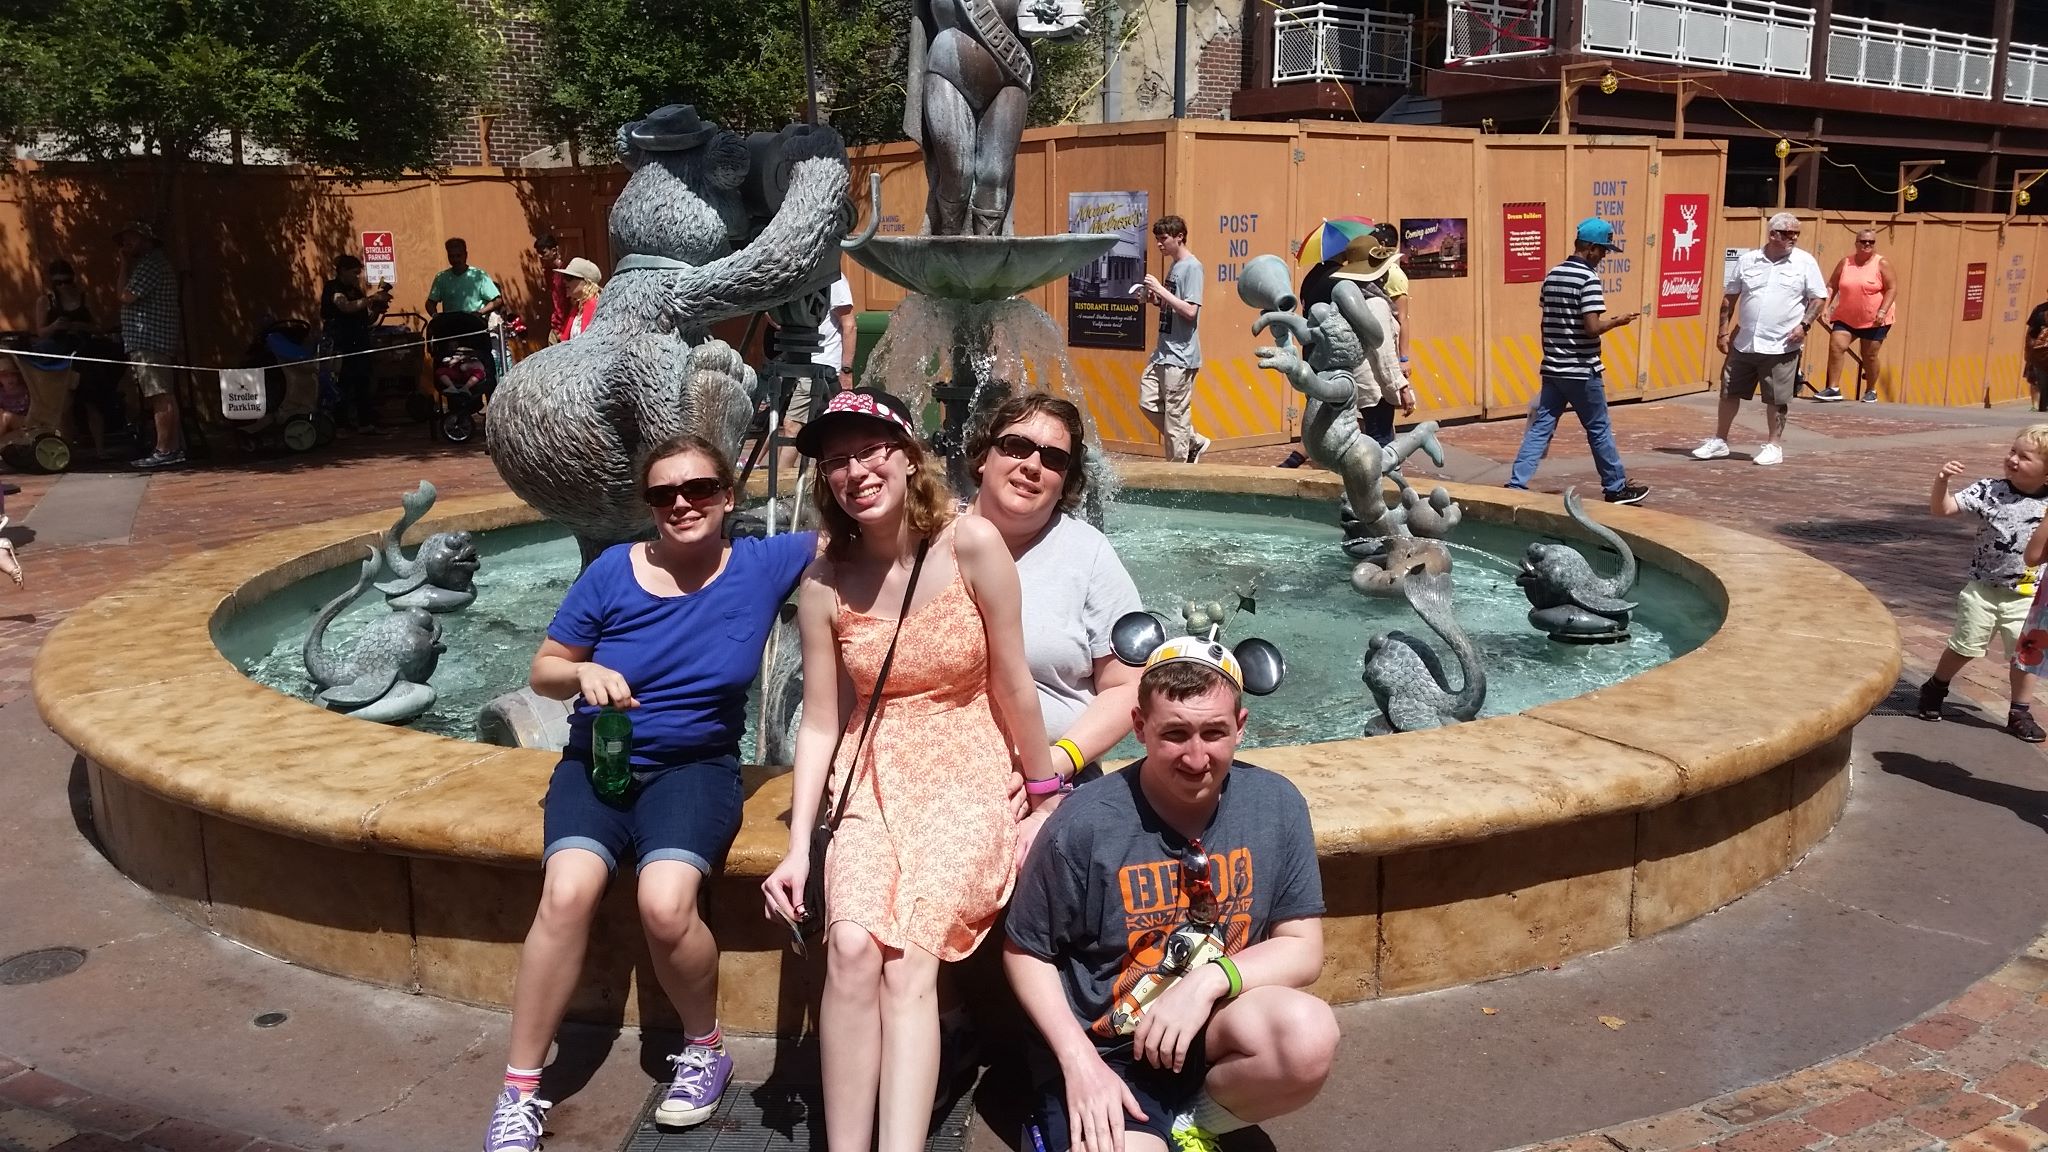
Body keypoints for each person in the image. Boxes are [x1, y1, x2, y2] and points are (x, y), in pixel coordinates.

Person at [479, 434, 819, 1152]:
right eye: (664, 495)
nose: (682, 505)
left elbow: (867, 531)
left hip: (694, 768)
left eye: (698, 489)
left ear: (728, 496)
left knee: (664, 904)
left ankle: (706, 1046)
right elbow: (543, 668)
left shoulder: (761, 563)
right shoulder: (613, 570)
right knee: (567, 893)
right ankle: (520, 1089)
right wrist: (581, 676)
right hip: (597, 761)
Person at [762, 387, 1058, 1152]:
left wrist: (1043, 793)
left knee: (909, 962)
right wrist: (799, 849)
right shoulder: (824, 582)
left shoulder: (973, 545)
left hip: (966, 765)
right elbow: (823, 720)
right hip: (873, 774)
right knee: (854, 948)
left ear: (907, 456)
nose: (855, 470)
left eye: (871, 451)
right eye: (836, 461)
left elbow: (1013, 683)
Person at [1005, 647, 1339, 1152]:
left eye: (1214, 733)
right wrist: (1079, 1063)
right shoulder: (1085, 824)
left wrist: (1208, 982)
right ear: (1139, 727)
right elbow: (1026, 950)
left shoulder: (1276, 805)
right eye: (1175, 733)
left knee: (1307, 1032)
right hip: (1106, 1048)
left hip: (1208, 1029)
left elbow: (1302, 945)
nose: (1197, 757)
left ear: (1241, 726)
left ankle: (1190, 1125)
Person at [964, 391, 1144, 861]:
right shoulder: (931, 541)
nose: (1032, 465)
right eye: (1016, 446)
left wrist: (1054, 765)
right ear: (983, 457)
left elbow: (1129, 685)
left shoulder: (1088, 554)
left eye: (1053, 458)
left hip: (1058, 777)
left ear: (1065, 481)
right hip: (947, 769)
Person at [1504, 218, 1651, 506]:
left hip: (1554, 368)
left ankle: (1516, 484)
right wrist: (1618, 321)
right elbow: (1592, 327)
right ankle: (1615, 486)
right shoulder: (1588, 279)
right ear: (1592, 248)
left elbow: (1549, 319)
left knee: (1541, 427)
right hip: (1582, 370)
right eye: (1604, 250)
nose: (1605, 257)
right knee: (1598, 428)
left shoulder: (1553, 275)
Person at [1916, 424, 2048, 743]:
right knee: (1966, 646)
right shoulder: (1990, 490)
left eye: (2025, 456)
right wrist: (1942, 481)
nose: (2013, 459)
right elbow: (1942, 508)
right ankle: (1936, 686)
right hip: (1983, 590)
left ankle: (2019, 711)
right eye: (2012, 451)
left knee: (2025, 655)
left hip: (2028, 596)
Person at [1693, 212, 1827, 468]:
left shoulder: (1804, 262)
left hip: (1782, 343)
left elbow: (1818, 298)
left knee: (1776, 398)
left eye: (1797, 233)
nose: (1794, 238)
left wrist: (1805, 325)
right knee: (1729, 390)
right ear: (1773, 234)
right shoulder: (1748, 260)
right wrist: (1722, 331)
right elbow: (1729, 297)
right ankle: (1720, 440)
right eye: (1789, 233)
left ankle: (1774, 445)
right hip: (1745, 341)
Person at [117, 221, 186, 470]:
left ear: (146, 240)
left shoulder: (150, 264)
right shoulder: (150, 264)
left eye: (131, 239)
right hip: (151, 341)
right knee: (162, 394)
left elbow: (125, 295)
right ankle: (173, 449)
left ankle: (165, 449)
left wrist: (123, 265)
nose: (126, 245)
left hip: (151, 341)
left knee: (159, 395)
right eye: (124, 240)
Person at [1138, 216, 1207, 464]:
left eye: (1163, 239)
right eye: (1157, 239)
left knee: (1175, 416)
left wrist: (1160, 289)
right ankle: (1192, 441)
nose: (1159, 244)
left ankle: (1178, 472)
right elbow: (1172, 304)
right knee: (1147, 401)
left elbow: (1190, 311)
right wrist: (1152, 298)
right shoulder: (1175, 266)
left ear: (1179, 237)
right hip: (1163, 352)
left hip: (1181, 355)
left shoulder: (1192, 267)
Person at [774, 272, 856, 472]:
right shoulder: (795, 276)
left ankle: (780, 485)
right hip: (797, 363)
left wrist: (846, 370)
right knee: (791, 424)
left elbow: (849, 325)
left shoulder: (834, 279)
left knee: (793, 425)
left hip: (824, 366)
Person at [1820, 228, 1896, 404]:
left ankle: (1871, 389)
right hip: (1846, 317)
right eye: (1863, 241)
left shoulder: (1881, 263)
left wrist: (1882, 311)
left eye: (1871, 242)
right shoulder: (1846, 262)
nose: (1867, 245)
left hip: (1875, 319)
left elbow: (1892, 288)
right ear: (1856, 243)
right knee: (1837, 346)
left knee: (1869, 355)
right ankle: (1833, 388)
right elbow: (1832, 285)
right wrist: (1825, 306)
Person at [321, 254, 393, 436]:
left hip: (359, 342)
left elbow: (367, 320)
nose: (357, 277)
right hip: (341, 342)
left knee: (363, 381)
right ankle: (340, 425)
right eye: (354, 273)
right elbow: (344, 306)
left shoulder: (357, 291)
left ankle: (365, 422)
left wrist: (377, 308)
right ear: (343, 271)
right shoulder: (333, 288)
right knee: (342, 382)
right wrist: (370, 299)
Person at [426, 238, 504, 318]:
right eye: (452, 256)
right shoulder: (441, 278)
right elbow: (430, 303)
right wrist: (435, 315)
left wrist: (480, 313)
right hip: (451, 326)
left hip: (475, 325)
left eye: (458, 256)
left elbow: (497, 300)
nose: (455, 260)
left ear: (466, 255)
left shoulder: (479, 276)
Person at [553, 258, 603, 342]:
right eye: (564, 277)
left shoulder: (597, 307)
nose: (564, 281)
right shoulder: (578, 308)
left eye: (569, 277)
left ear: (586, 282)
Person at [535, 232, 570, 341]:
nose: (541, 256)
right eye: (539, 253)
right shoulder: (548, 272)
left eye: (543, 252)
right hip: (556, 325)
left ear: (554, 251)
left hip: (567, 326)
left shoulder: (567, 271)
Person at [2025, 299, 2048, 413]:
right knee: (2037, 380)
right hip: (2040, 352)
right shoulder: (2039, 311)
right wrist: (2029, 351)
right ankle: (2038, 406)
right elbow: (2030, 332)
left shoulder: (2039, 310)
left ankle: (2042, 406)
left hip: (2039, 351)